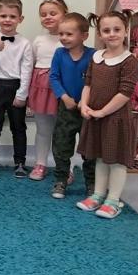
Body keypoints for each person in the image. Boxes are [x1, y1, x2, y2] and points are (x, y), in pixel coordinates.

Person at [76, 10, 138, 219]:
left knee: (117, 160)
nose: (112, 34)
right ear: (100, 34)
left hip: (116, 119)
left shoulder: (129, 60)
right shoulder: (96, 57)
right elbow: (88, 84)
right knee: (101, 157)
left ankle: (113, 199)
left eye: (117, 29)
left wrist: (102, 111)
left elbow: (124, 93)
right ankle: (98, 194)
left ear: (125, 31)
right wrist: (84, 105)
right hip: (96, 117)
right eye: (106, 30)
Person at [0, 0, 34, 179]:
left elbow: (27, 70)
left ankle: (20, 162)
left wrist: (22, 94)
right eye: (3, 16)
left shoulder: (25, 43)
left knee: (18, 127)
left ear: (20, 19)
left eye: (12, 16)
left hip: (16, 87)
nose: (7, 20)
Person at [49, 13, 96, 200]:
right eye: (61, 34)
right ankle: (61, 179)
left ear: (84, 36)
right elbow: (54, 77)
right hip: (66, 108)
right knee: (61, 145)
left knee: (90, 148)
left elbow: (95, 81)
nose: (64, 38)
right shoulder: (59, 54)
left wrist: (85, 101)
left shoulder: (93, 55)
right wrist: (64, 97)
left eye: (69, 34)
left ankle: (91, 183)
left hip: (87, 110)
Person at [28, 0, 67, 181]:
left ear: (64, 15)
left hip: (63, 90)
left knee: (64, 131)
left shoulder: (69, 38)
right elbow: (31, 65)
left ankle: (66, 167)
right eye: (43, 14)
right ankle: (40, 164)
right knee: (43, 129)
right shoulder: (39, 40)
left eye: (53, 13)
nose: (48, 17)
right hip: (41, 89)